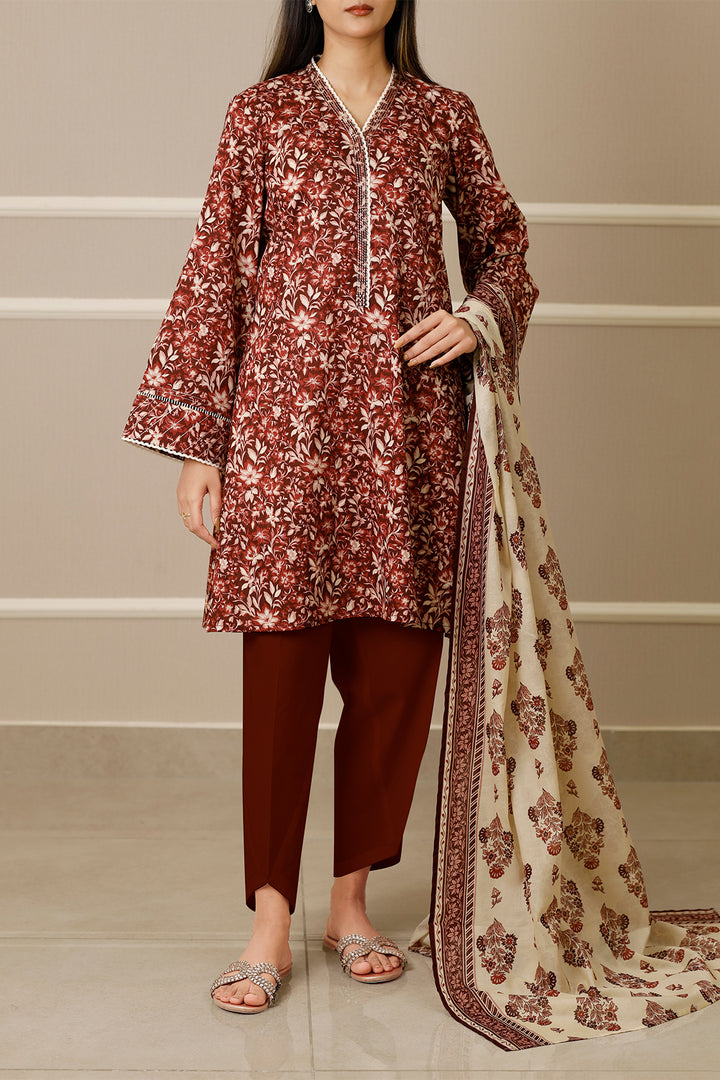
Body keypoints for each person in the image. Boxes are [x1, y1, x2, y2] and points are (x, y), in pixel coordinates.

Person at [122, 0, 536, 1016]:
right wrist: (201, 446)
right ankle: (270, 917)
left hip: (409, 430)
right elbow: (216, 274)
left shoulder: (443, 115)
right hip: (282, 429)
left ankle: (350, 905)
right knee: (280, 676)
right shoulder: (259, 114)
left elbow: (505, 242)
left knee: (394, 676)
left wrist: (477, 317)